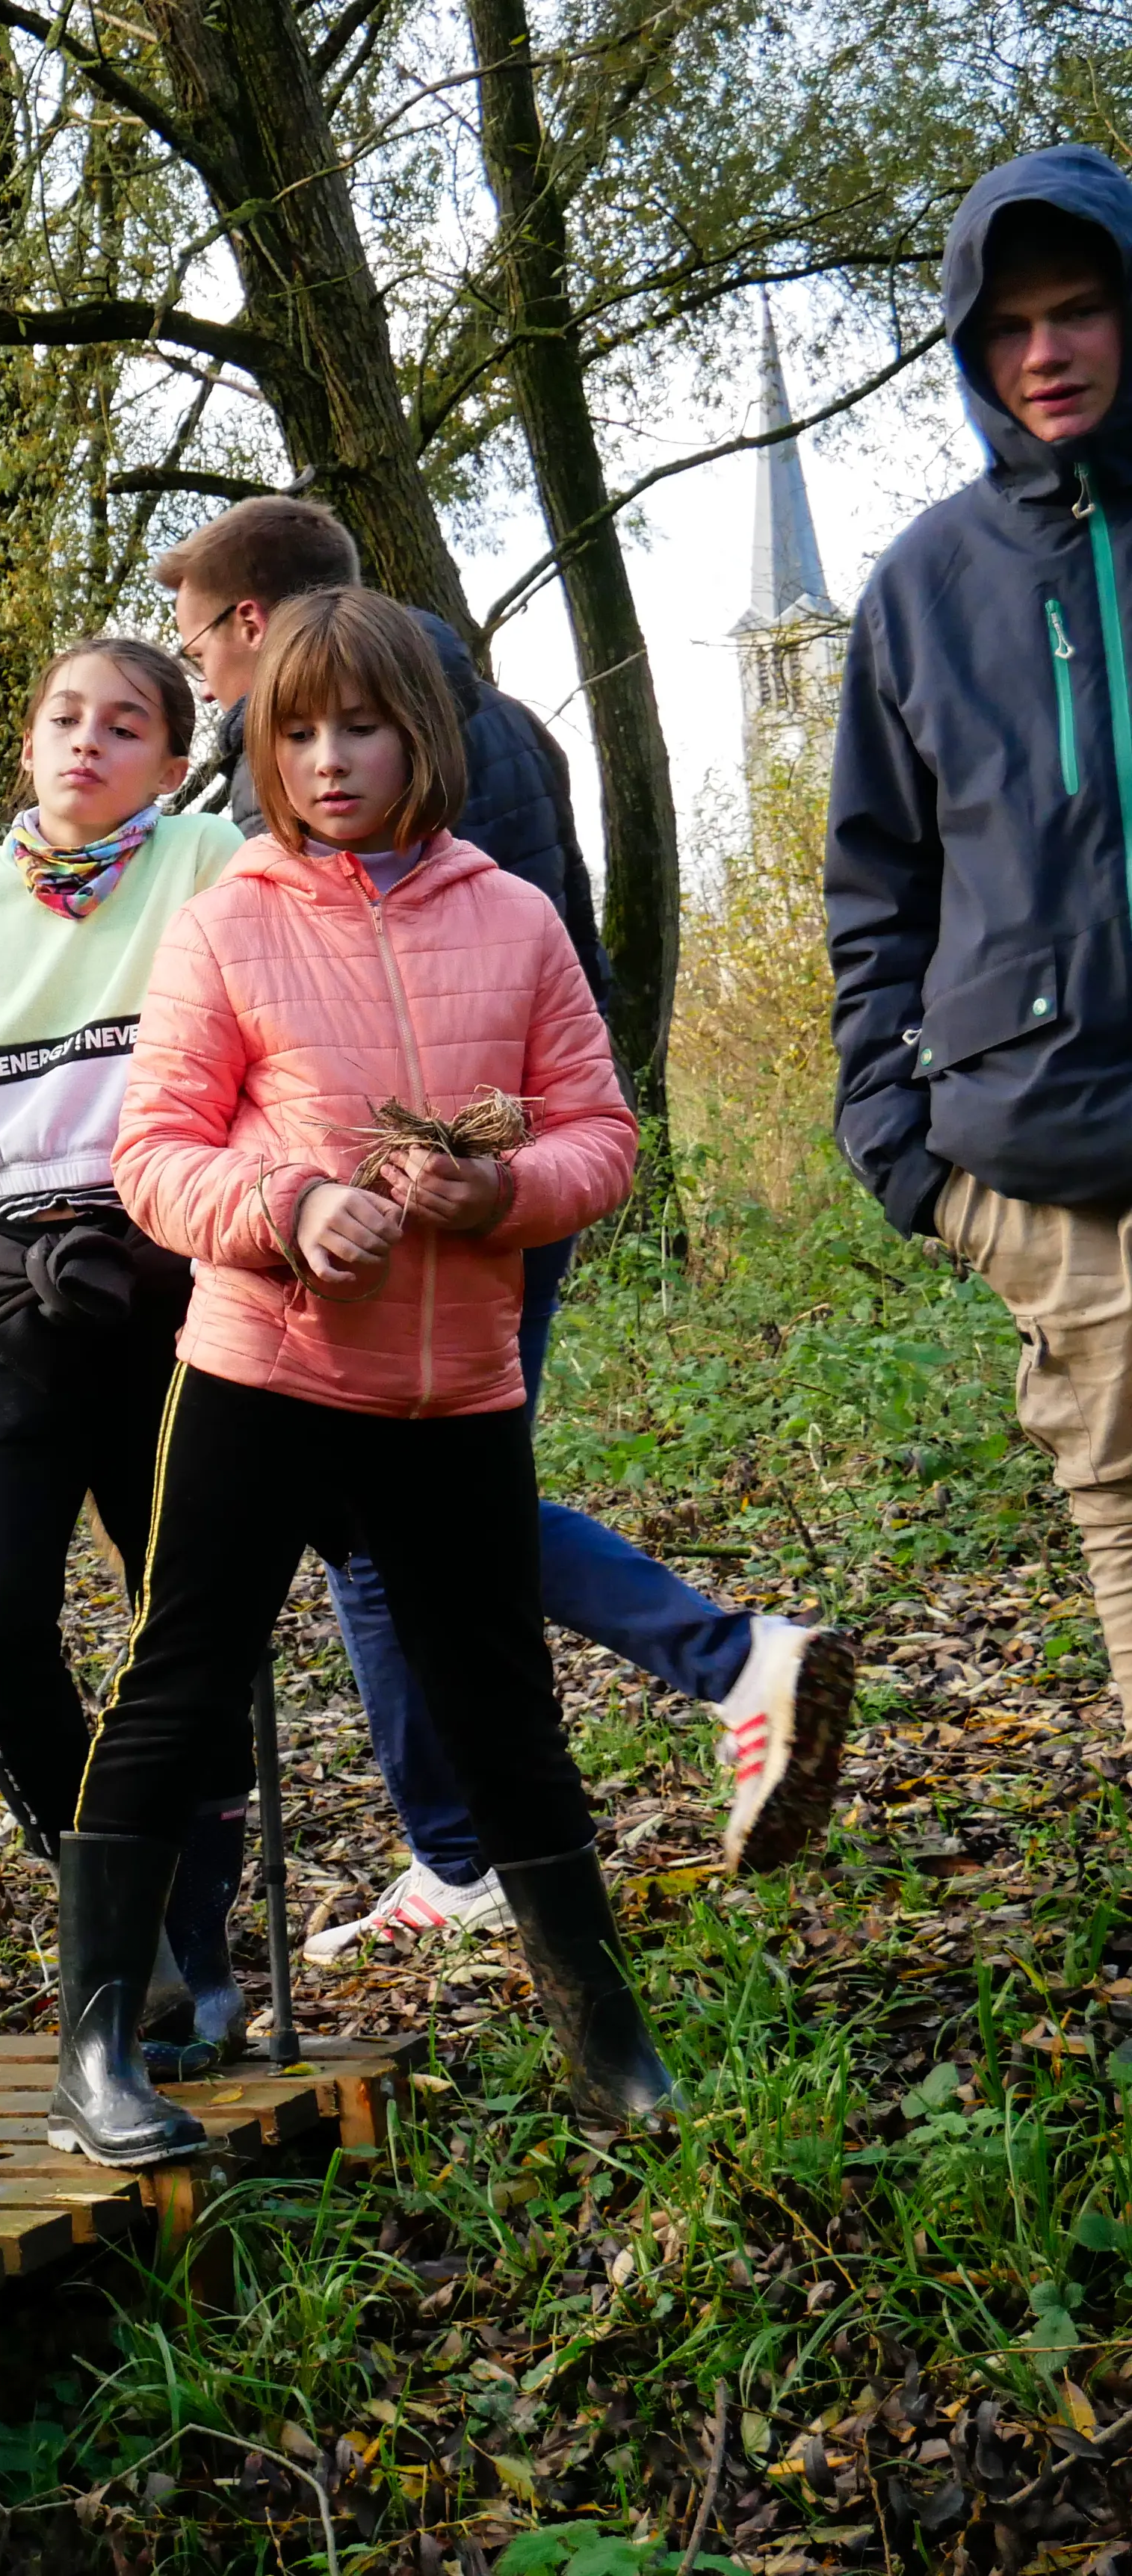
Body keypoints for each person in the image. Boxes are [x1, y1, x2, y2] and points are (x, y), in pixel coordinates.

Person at [157, 495, 848, 1950]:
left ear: (248, 623)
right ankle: (477, 1834)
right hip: (490, 1189)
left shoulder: (335, 775)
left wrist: (375, 1176)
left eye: (201, 647)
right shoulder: (507, 721)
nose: (224, 695)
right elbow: (574, 974)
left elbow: (402, 961)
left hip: (417, 1207)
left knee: (414, 1525)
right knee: (410, 1520)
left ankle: (685, 1690)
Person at [75, 584, 669, 2168]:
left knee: (505, 1711)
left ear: (423, 734)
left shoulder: (515, 919)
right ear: (260, 750)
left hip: (451, 1388)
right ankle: (97, 2038)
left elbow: (599, 1137)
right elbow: (153, 1155)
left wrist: (503, 1193)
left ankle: (603, 2029)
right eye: (295, 729)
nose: (329, 758)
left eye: (361, 724)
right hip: (260, 1371)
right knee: (178, 1682)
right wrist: (286, 1208)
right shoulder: (230, 919)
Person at [0, 637, 253, 2057]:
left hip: (186, 1283)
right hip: (12, 1293)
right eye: (65, 718)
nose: (87, 743)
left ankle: (196, 1966)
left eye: (128, 725)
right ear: (28, 740)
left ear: (173, 756)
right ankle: (125, 1929)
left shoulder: (214, 866)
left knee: (190, 1631)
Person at [829, 145, 1132, 1715]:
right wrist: (909, 1154)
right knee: (1127, 1517)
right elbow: (871, 893)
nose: (1045, 353)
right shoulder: (919, 589)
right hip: (1047, 1153)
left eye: (1077, 309)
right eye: (1007, 327)